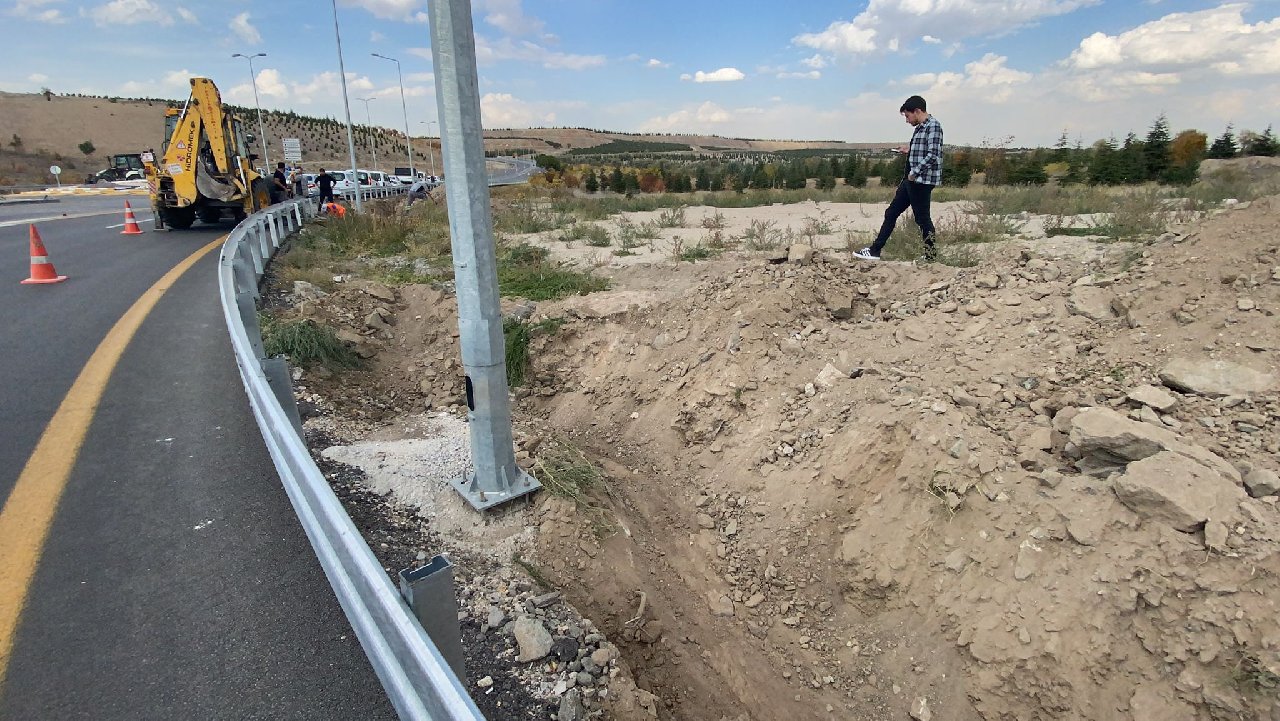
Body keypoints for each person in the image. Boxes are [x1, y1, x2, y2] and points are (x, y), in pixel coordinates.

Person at [856, 95, 943, 261]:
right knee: (891, 213)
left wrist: (914, 172)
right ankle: (875, 250)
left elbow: (933, 155)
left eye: (908, 116)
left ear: (917, 111)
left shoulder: (933, 126)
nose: (907, 120)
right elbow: (923, 149)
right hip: (911, 180)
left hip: (920, 181)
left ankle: (931, 257)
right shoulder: (921, 128)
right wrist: (908, 150)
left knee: (923, 219)